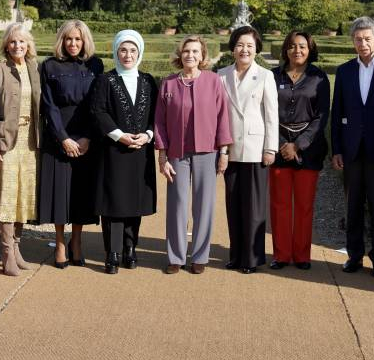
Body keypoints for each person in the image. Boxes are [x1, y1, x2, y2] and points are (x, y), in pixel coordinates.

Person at [154, 35, 232, 274]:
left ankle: (200, 256)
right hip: (176, 153)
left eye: (195, 51)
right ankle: (176, 257)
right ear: (181, 55)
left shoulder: (213, 81)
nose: (190, 55)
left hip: (207, 151)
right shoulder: (168, 84)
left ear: (202, 56)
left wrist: (224, 151)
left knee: (204, 205)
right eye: (187, 51)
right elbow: (160, 122)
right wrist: (162, 155)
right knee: (177, 204)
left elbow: (223, 117)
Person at [331, 17, 374, 277]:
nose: (363, 43)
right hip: (351, 151)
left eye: (367, 39)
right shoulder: (345, 71)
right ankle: (355, 256)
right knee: (353, 206)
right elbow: (337, 112)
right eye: (358, 39)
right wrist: (337, 149)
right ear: (353, 42)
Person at [89, 30, 158, 274]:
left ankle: (130, 248)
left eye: (132, 50)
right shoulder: (105, 80)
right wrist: (119, 135)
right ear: (116, 52)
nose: (128, 55)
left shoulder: (148, 81)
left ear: (140, 53)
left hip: (140, 151)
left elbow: (157, 114)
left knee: (134, 203)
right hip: (113, 152)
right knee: (114, 203)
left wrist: (148, 135)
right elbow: (98, 111)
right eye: (123, 50)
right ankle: (113, 252)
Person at [38, 19, 103, 267]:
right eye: (68, 39)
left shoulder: (95, 64)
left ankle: (76, 241)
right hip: (58, 137)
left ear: (85, 41)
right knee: (59, 192)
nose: (73, 43)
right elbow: (49, 105)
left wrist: (88, 136)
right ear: (62, 40)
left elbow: (97, 104)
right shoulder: (49, 65)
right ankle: (60, 243)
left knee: (80, 193)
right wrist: (63, 137)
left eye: (78, 39)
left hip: (86, 137)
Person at [0, 23, 41, 276]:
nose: (18, 46)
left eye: (22, 41)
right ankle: (6, 253)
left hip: (30, 141)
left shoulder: (33, 68)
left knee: (23, 196)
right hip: (6, 140)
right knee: (7, 196)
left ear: (29, 45)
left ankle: (17, 249)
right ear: (6, 45)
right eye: (13, 41)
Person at [218, 26, 278, 274]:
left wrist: (270, 148)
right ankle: (235, 255)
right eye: (240, 45)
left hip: (256, 148)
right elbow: (219, 116)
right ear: (233, 48)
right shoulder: (221, 75)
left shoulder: (265, 75)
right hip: (230, 147)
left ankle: (252, 258)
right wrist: (222, 151)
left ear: (256, 50)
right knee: (233, 205)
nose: (244, 50)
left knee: (254, 208)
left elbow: (271, 114)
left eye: (250, 46)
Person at [269, 31, 330, 270]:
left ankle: (302, 255)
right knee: (280, 205)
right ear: (286, 49)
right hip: (278, 146)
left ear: (310, 49)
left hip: (309, 149)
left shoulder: (319, 77)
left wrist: (298, 144)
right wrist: (282, 143)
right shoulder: (273, 76)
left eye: (302, 46)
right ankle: (281, 255)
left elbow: (321, 116)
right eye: (293, 46)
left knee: (304, 205)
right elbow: (266, 112)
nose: (297, 50)